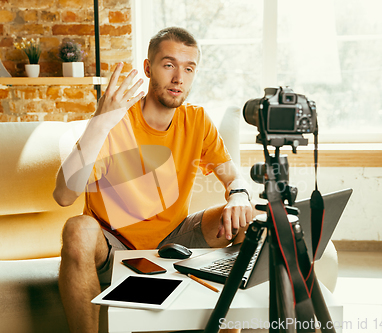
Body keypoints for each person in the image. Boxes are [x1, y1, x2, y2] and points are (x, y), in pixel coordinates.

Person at [53, 27, 254, 333]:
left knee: (247, 217)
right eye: (169, 65)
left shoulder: (196, 120)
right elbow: (64, 196)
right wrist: (99, 122)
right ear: (148, 68)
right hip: (113, 245)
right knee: (77, 229)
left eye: (189, 69)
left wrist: (239, 194)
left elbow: (232, 176)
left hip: (174, 239)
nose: (179, 79)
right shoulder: (116, 120)